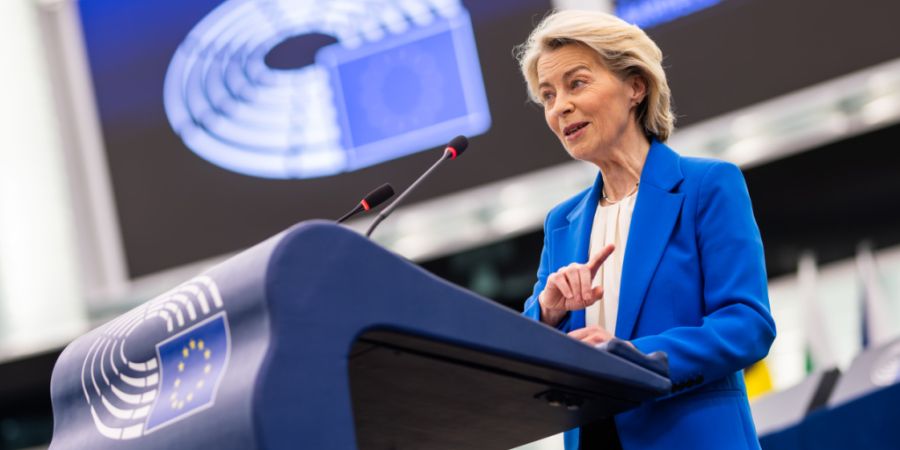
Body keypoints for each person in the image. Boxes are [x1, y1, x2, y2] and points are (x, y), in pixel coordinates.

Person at [515, 10, 777, 450]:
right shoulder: (562, 222)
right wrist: (549, 310)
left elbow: (747, 325)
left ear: (635, 86)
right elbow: (527, 356)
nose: (560, 106)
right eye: (547, 95)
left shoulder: (707, 186)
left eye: (576, 83)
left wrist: (632, 359)